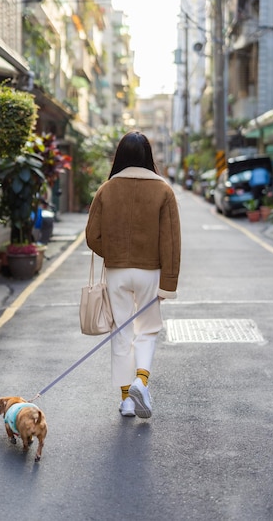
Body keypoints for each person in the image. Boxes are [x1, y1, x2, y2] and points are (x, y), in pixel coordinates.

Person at [85, 131, 181, 419]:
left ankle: (127, 400)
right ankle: (142, 381)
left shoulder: (106, 189)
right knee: (147, 329)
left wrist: (114, 254)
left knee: (122, 332)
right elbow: (171, 242)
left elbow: (92, 236)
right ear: (148, 156)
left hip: (117, 273)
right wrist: (168, 283)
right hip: (150, 272)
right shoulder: (164, 190)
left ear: (120, 156)